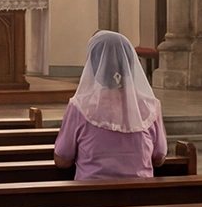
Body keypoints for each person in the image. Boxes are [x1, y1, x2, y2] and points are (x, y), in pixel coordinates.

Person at [54, 31, 167, 180]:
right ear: (130, 63)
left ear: (93, 64)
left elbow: (63, 160)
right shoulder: (150, 106)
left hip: (93, 192)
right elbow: (159, 158)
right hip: (140, 193)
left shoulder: (80, 107)